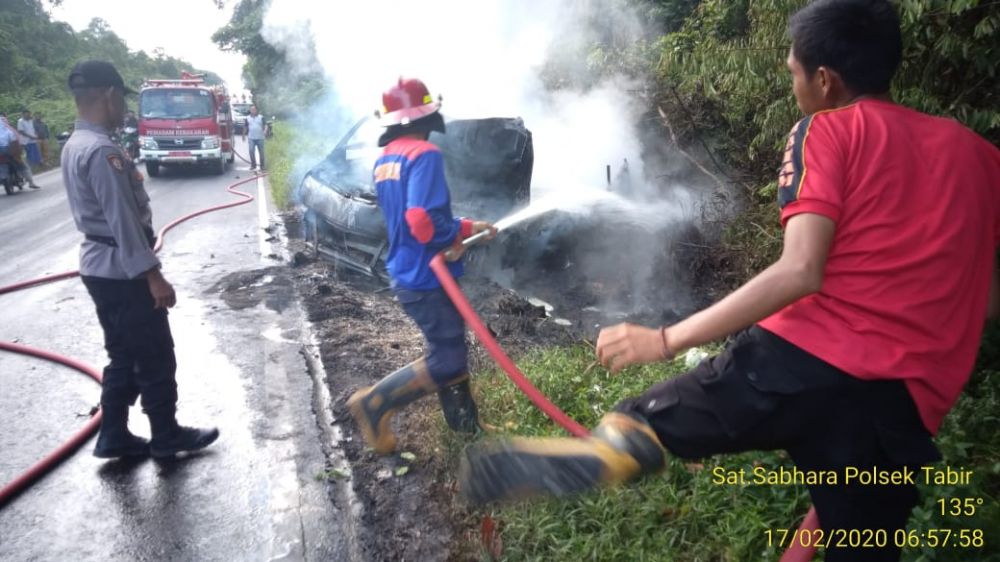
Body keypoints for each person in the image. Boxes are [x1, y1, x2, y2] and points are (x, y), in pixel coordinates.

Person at [459, 2, 1000, 561]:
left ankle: (613, 451)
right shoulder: (981, 156)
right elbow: (984, 300)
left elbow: (801, 268)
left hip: (796, 365)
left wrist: (664, 339)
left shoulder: (828, 129)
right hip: (902, 405)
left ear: (824, 80)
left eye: (793, 73)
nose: (794, 86)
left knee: (641, 423)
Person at [61, 60, 219, 459]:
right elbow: (123, 221)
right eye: (122, 100)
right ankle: (166, 435)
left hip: (99, 268)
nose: (125, 110)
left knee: (123, 354)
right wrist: (153, 276)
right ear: (109, 95)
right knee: (154, 355)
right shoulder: (102, 151)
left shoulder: (75, 144)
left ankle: (113, 434)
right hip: (123, 273)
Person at [347, 77, 498, 454]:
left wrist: (466, 228)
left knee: (450, 346)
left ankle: (466, 427)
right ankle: (374, 403)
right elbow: (419, 219)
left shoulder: (387, 159)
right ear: (426, 117)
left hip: (407, 271)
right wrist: (448, 241)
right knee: (446, 358)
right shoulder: (424, 154)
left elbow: (410, 216)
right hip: (426, 276)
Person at [0, 113, 41, 189]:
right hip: (11, 152)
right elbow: (16, 141)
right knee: (23, 166)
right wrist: (18, 152)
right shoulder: (9, 130)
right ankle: (31, 183)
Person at [241, 105, 267, 171]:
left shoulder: (261, 117)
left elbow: (265, 125)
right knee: (251, 151)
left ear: (256, 110)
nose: (253, 111)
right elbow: (245, 127)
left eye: (254, 109)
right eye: (251, 110)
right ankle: (253, 165)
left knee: (261, 152)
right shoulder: (247, 118)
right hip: (251, 138)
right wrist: (243, 135)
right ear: (250, 110)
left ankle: (262, 166)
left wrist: (265, 130)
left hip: (260, 138)